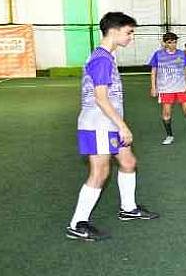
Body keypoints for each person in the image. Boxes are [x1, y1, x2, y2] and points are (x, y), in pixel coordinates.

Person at [67, 12, 158, 241]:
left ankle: (128, 209)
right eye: (129, 32)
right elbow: (100, 98)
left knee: (128, 162)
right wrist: (123, 126)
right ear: (114, 30)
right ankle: (77, 223)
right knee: (100, 172)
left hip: (108, 124)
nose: (131, 37)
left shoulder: (108, 56)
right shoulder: (101, 59)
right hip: (97, 124)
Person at [149, 32, 186, 145]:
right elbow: (153, 71)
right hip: (165, 89)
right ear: (164, 43)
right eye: (169, 42)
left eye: (174, 42)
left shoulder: (181, 54)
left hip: (181, 87)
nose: (173, 44)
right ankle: (169, 136)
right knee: (167, 112)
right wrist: (153, 87)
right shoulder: (158, 55)